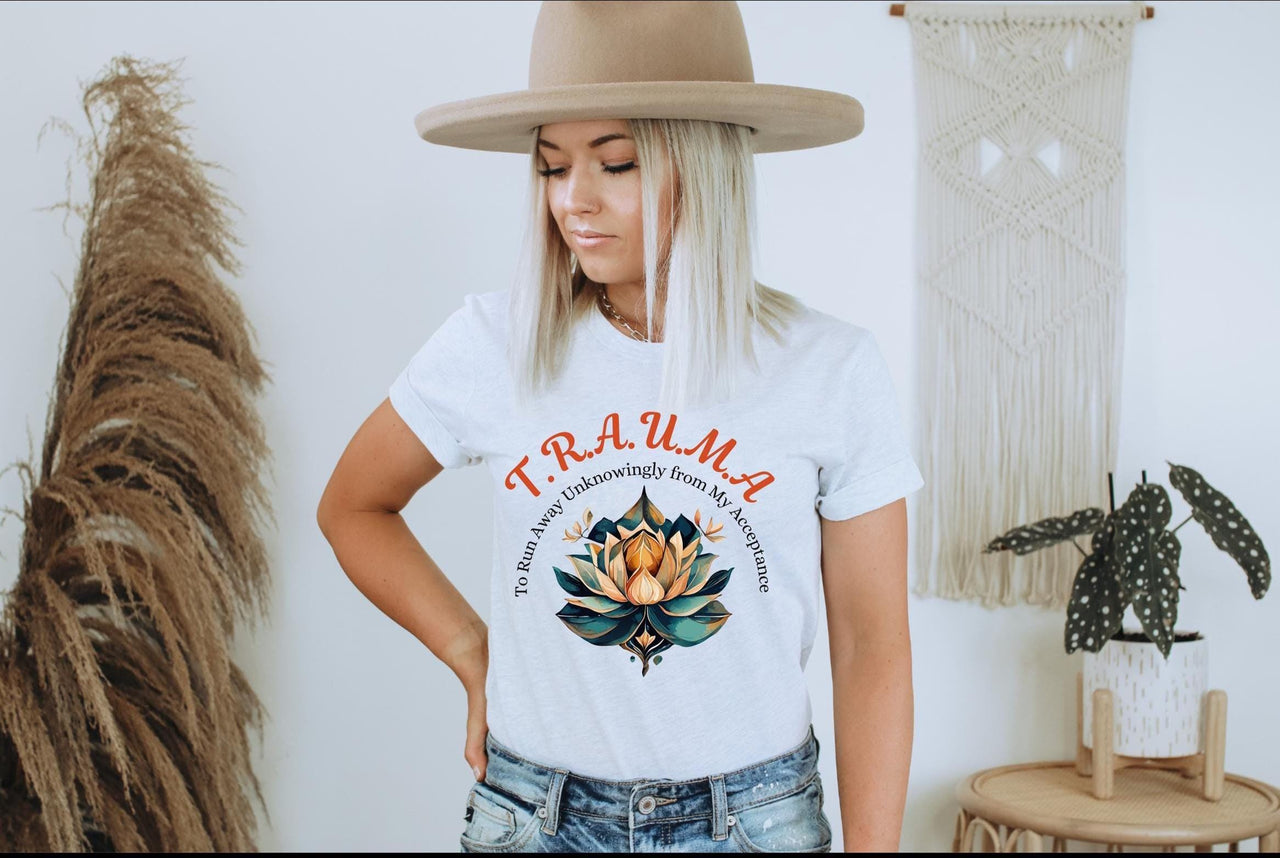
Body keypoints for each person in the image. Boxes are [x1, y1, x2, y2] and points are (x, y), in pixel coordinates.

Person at [317, 1, 923, 852]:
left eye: (617, 163)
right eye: (552, 166)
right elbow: (352, 507)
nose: (574, 201)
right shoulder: (491, 344)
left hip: (755, 824)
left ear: (704, 164)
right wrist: (469, 650)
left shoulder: (830, 368)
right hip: (535, 817)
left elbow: (871, 647)